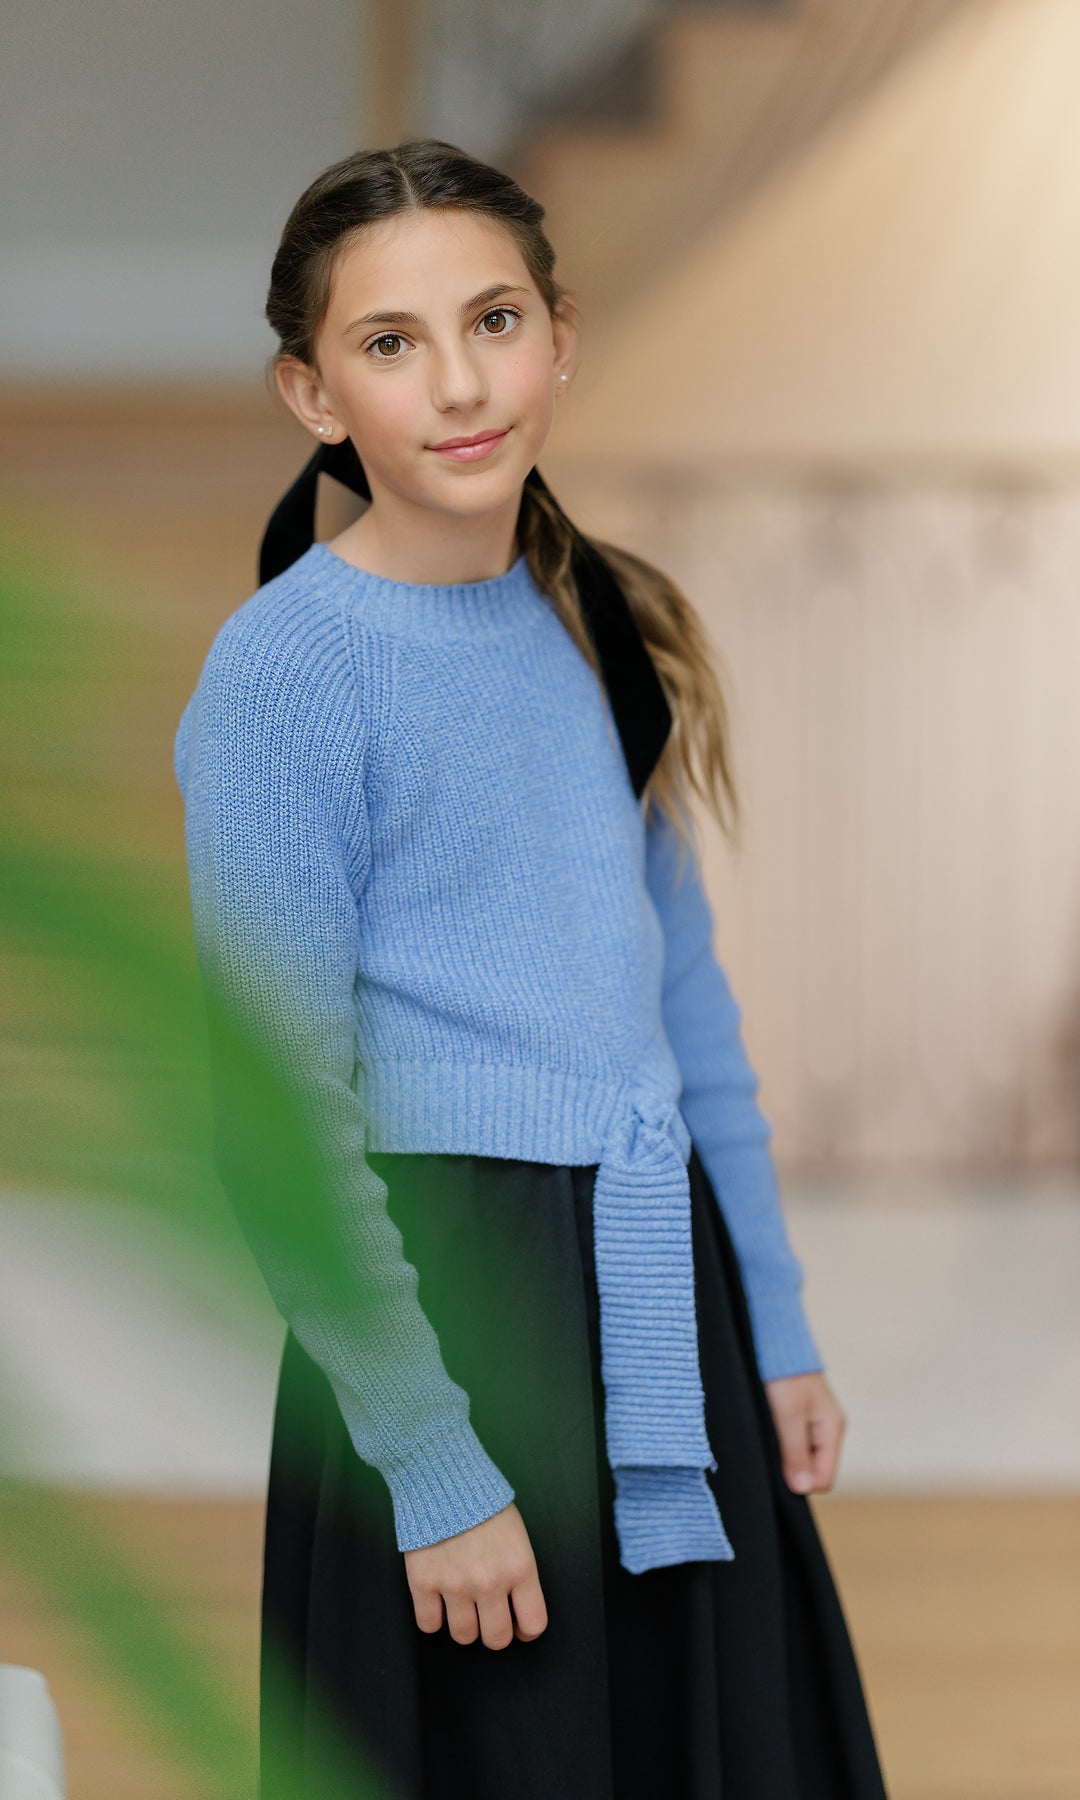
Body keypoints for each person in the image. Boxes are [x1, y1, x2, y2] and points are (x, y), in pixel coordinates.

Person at [174, 137, 890, 1800]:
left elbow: (682, 1010)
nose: (458, 382)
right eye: (391, 342)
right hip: (448, 1318)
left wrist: (776, 1324)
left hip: (662, 1288)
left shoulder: (601, 621)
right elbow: (278, 1125)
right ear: (312, 393)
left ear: (561, 337)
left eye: (493, 320)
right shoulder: (286, 676)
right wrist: (431, 1465)